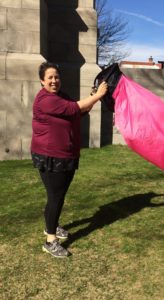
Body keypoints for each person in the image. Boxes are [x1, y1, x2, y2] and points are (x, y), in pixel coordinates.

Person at [31, 62, 108, 258]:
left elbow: (78, 111)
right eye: (50, 77)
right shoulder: (45, 100)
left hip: (65, 154)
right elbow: (72, 108)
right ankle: (50, 241)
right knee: (55, 197)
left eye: (56, 77)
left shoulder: (60, 96)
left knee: (58, 195)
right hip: (51, 156)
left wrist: (93, 98)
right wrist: (97, 95)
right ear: (42, 81)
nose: (54, 80)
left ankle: (53, 226)